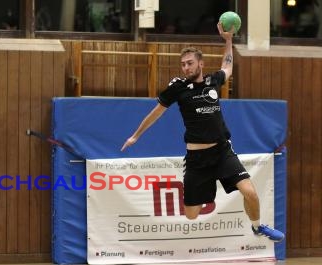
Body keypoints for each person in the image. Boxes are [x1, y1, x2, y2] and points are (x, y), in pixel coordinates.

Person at [120, 23, 284, 242]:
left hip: (223, 152)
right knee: (192, 215)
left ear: (200, 64)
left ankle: (257, 227)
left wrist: (228, 40)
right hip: (197, 159)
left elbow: (228, 67)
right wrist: (136, 135)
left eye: (190, 63)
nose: (186, 68)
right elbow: (156, 113)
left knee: (250, 192)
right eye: (183, 64)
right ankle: (207, 187)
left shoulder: (213, 81)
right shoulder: (177, 87)